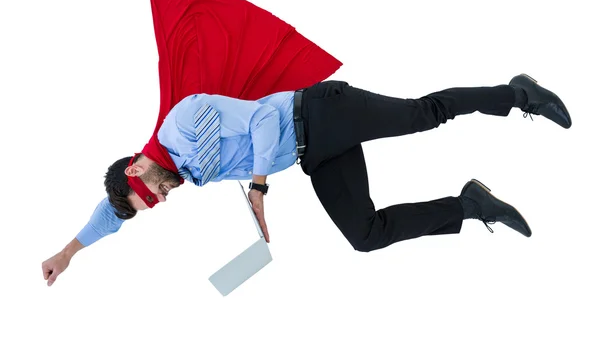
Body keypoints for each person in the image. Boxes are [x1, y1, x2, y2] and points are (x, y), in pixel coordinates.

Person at [41, 73, 572, 286]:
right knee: (363, 235)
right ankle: (469, 205)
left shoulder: (180, 124)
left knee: (422, 114)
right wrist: (68, 252)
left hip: (318, 112)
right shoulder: (182, 171)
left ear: (137, 164)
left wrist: (258, 185)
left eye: (150, 192)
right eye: (153, 205)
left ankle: (518, 94)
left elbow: (261, 119)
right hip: (314, 152)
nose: (159, 199)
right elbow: (115, 212)